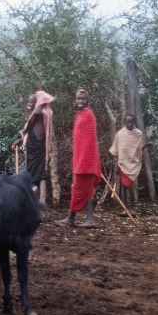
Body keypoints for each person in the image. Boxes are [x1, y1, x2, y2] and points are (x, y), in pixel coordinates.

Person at [57, 88, 102, 227]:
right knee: (82, 190)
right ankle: (83, 219)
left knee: (81, 189)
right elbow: (79, 140)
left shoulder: (89, 115)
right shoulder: (80, 114)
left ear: (87, 100)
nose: (80, 101)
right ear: (75, 100)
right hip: (81, 159)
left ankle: (76, 219)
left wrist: (83, 161)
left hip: (86, 160)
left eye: (83, 99)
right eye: (78, 98)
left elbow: (90, 142)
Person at [16, 89, 55, 201]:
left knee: (37, 175)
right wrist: (21, 139)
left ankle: (37, 201)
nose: (29, 104)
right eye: (28, 102)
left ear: (37, 103)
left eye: (32, 102)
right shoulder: (44, 113)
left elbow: (27, 129)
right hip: (35, 148)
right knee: (38, 174)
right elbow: (27, 131)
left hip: (37, 148)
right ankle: (39, 201)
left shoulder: (40, 113)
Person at [109, 113, 145, 205]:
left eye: (131, 121)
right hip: (122, 163)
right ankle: (125, 204)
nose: (130, 124)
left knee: (131, 184)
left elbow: (140, 148)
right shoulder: (120, 134)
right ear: (125, 122)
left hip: (134, 163)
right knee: (124, 185)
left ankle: (132, 202)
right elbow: (115, 150)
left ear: (134, 122)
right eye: (128, 122)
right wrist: (116, 163)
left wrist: (145, 147)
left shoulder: (138, 134)